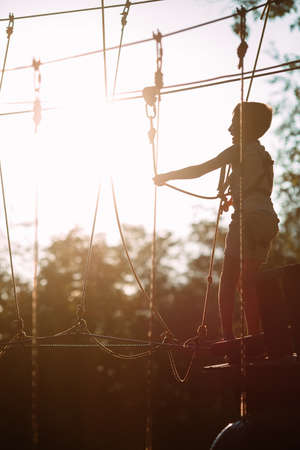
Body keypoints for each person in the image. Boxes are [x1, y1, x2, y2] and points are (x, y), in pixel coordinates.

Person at [153, 102, 279, 341]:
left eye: (235, 123)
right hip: (267, 219)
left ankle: (229, 338)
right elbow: (262, 190)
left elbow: (200, 170)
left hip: (247, 218)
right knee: (248, 280)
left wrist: (167, 176)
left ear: (246, 126)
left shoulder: (237, 151)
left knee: (229, 280)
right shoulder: (265, 157)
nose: (230, 128)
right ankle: (255, 335)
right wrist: (235, 197)